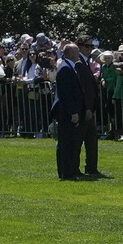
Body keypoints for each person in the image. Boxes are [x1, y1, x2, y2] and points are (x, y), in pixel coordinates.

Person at [50, 45, 103, 181]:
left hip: (71, 111)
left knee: (71, 143)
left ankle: (72, 170)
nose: (78, 54)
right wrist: (73, 112)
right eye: (76, 51)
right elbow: (66, 94)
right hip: (66, 113)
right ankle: (67, 172)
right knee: (66, 144)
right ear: (71, 53)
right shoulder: (66, 69)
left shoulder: (70, 67)